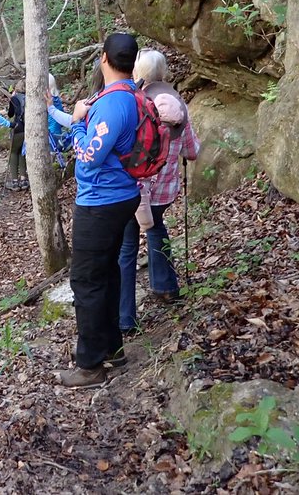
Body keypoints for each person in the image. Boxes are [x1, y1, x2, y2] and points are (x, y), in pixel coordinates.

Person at [57, 33, 143, 388]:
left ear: (104, 58)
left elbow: (89, 159)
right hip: (124, 195)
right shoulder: (135, 96)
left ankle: (89, 365)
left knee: (86, 281)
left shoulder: (111, 104)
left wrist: (78, 122)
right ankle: (112, 348)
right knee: (106, 272)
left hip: (101, 202)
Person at [118, 49, 200, 334]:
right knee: (156, 228)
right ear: (163, 73)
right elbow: (192, 151)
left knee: (126, 247)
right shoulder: (179, 107)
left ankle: (124, 317)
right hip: (164, 194)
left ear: (137, 73)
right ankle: (166, 287)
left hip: (132, 191)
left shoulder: (134, 104)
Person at [6, 83, 27, 190]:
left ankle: (14, 181)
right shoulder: (30, 98)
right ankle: (23, 179)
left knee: (14, 152)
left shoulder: (14, 98)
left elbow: (10, 114)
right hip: (27, 128)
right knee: (22, 152)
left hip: (17, 128)